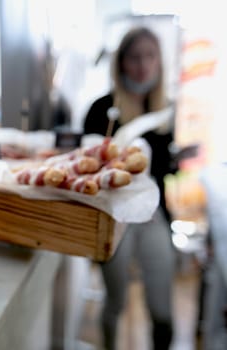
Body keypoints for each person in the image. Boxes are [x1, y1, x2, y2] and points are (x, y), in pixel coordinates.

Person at [83, 26, 177, 350]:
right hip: (115, 217)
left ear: (159, 62)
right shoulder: (101, 110)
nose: (143, 65)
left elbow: (163, 172)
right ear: (122, 63)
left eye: (150, 56)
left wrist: (175, 161)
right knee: (115, 301)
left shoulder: (166, 113)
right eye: (135, 57)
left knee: (163, 304)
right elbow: (89, 170)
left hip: (154, 216)